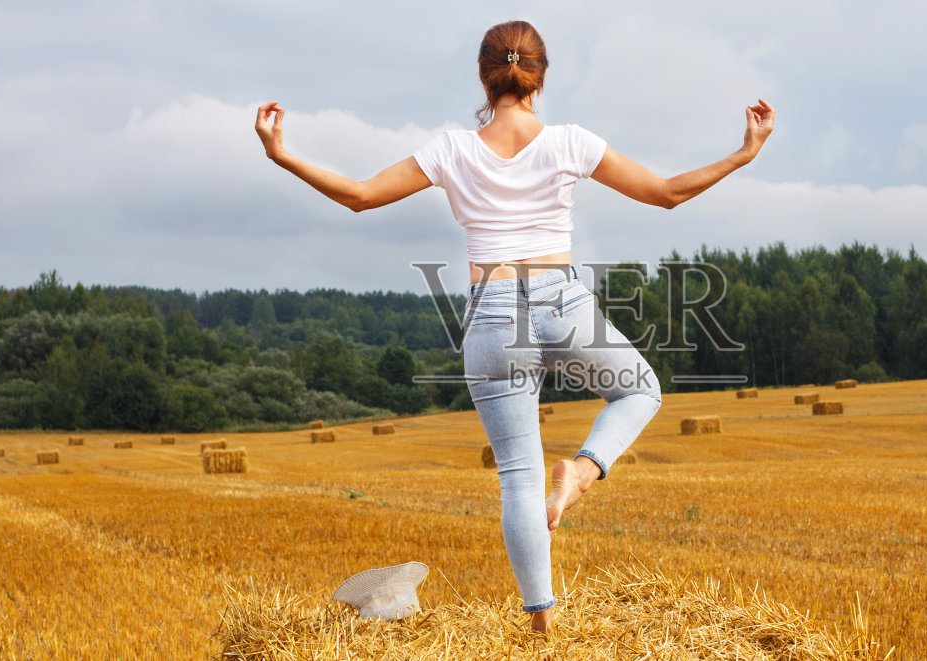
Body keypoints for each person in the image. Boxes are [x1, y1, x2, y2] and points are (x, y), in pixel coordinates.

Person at [253, 20, 773, 633]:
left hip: (492, 310)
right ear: (540, 78)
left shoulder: (451, 149)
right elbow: (664, 193)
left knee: (519, 479)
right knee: (640, 390)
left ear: (484, 76)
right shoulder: (570, 142)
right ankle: (582, 471)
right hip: (563, 300)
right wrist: (744, 153)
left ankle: (541, 623)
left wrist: (281, 153)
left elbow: (361, 196)